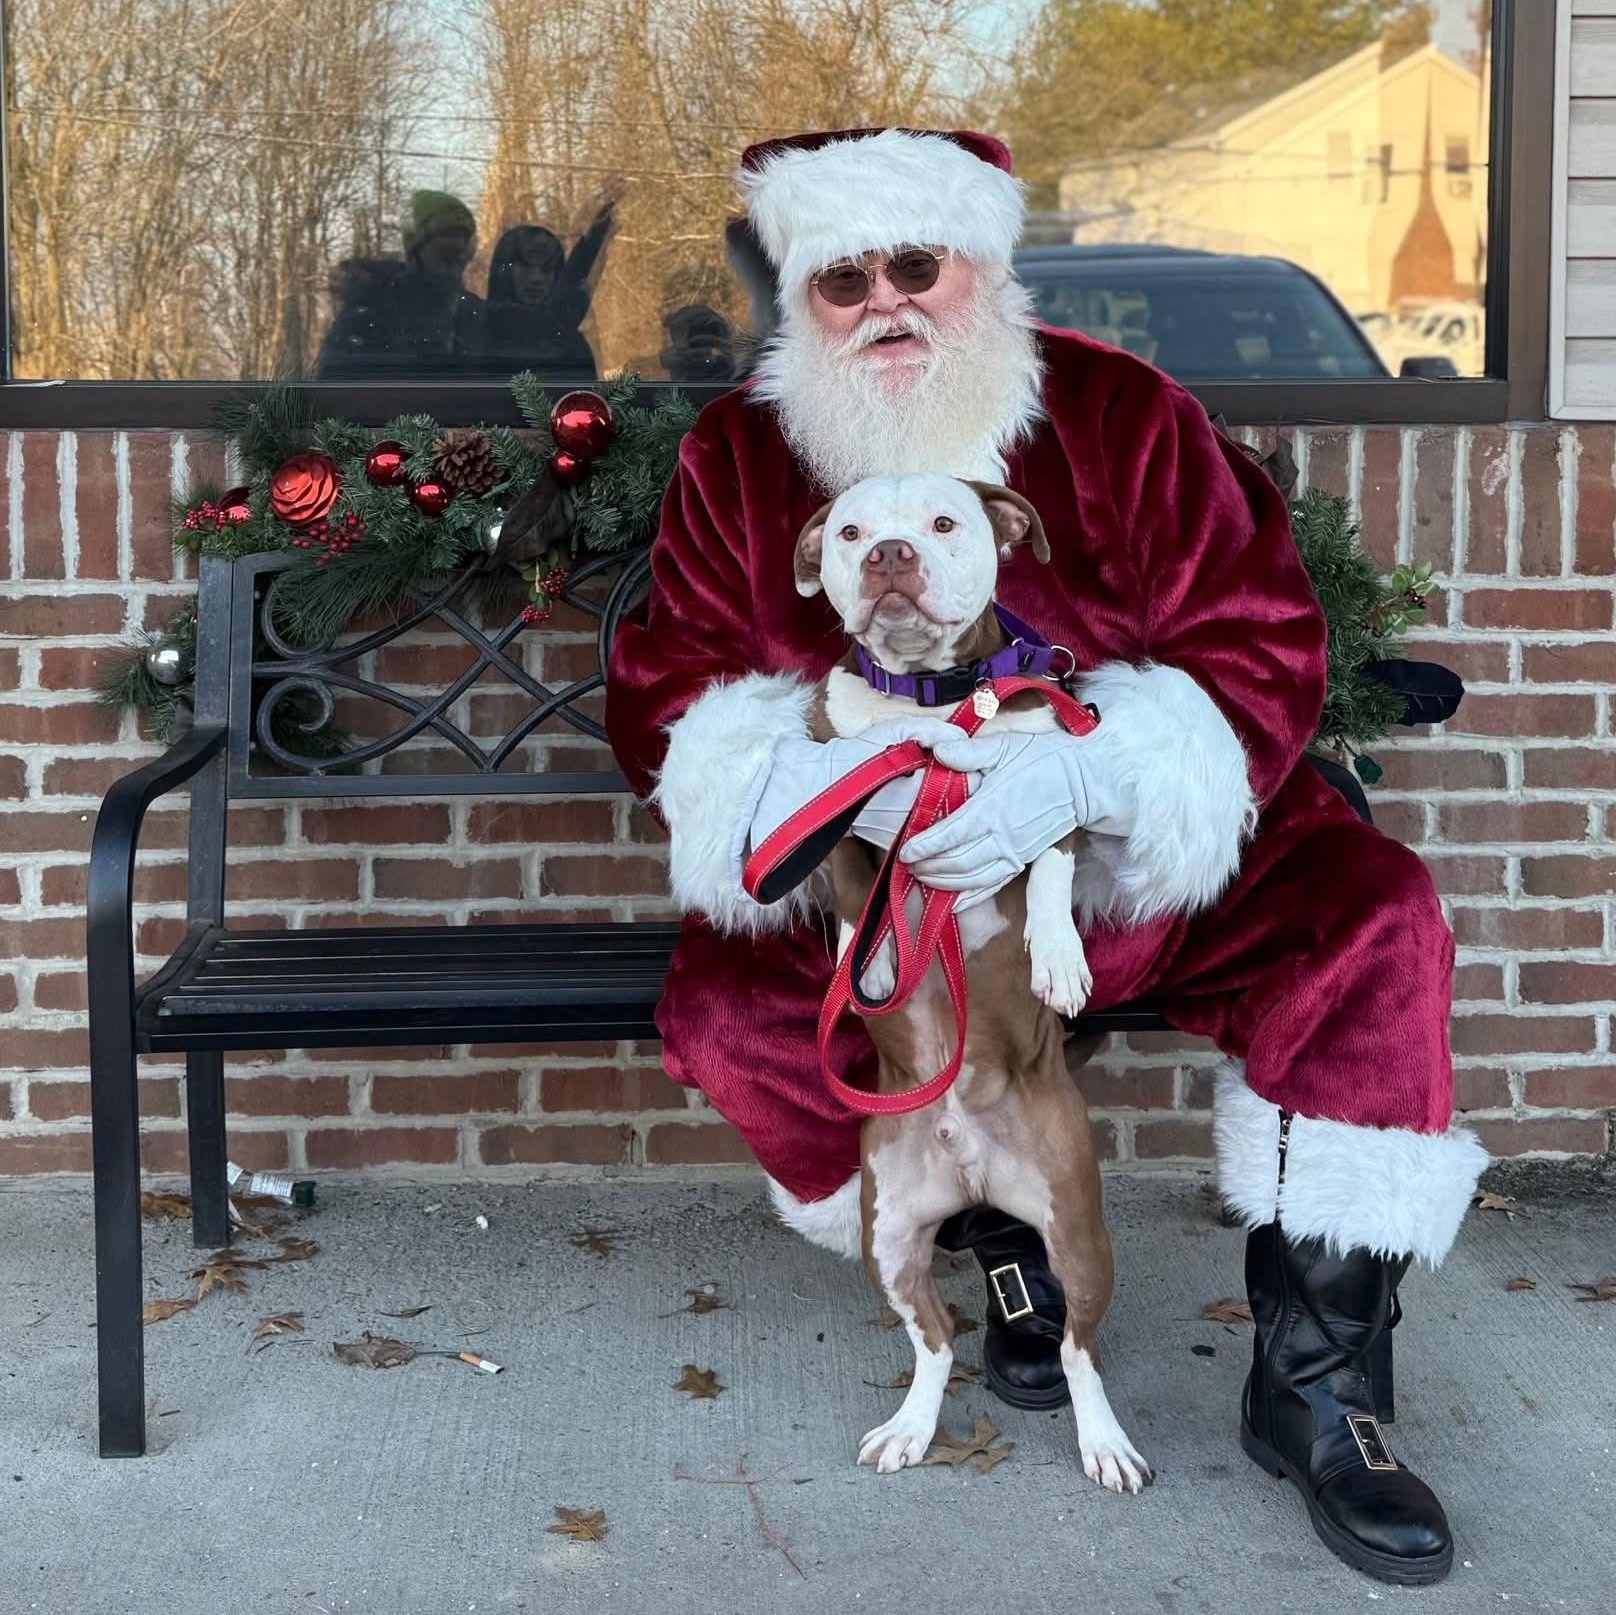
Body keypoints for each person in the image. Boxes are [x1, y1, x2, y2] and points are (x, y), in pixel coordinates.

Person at [604, 127, 1484, 1586]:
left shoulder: (1120, 413)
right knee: (721, 1014)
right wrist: (833, 791)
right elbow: (673, 691)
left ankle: (1321, 1387)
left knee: (1369, 914)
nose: (883, 301)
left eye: (914, 264)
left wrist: (1088, 770)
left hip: (1124, 871)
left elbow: (1258, 638)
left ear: (978, 266)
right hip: (883, 905)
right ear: (803, 297)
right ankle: (994, 1251)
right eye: (840, 278)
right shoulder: (738, 457)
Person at [315, 190, 486, 380]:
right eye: (446, 235)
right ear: (416, 247)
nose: (458, 246)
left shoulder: (472, 311)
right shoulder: (372, 309)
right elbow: (335, 384)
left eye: (465, 237)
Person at [482, 199, 617, 381]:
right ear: (504, 271)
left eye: (546, 269)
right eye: (525, 266)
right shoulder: (474, 335)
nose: (536, 279)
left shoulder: (570, 343)